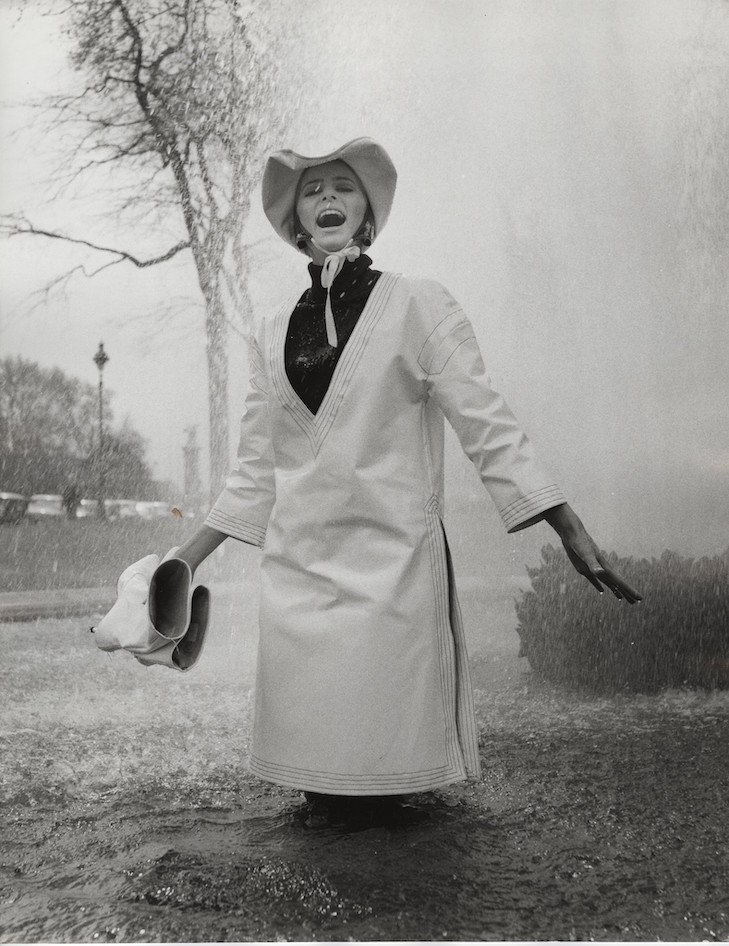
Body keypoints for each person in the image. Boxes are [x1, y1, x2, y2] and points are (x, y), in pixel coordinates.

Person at [172, 137, 641, 825]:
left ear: (366, 214)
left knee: (387, 788)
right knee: (319, 798)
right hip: (298, 578)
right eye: (311, 190)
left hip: (391, 573)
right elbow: (252, 475)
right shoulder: (269, 331)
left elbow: (485, 420)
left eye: (342, 186)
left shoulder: (419, 303)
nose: (327, 198)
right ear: (295, 221)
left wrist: (563, 521)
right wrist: (179, 564)